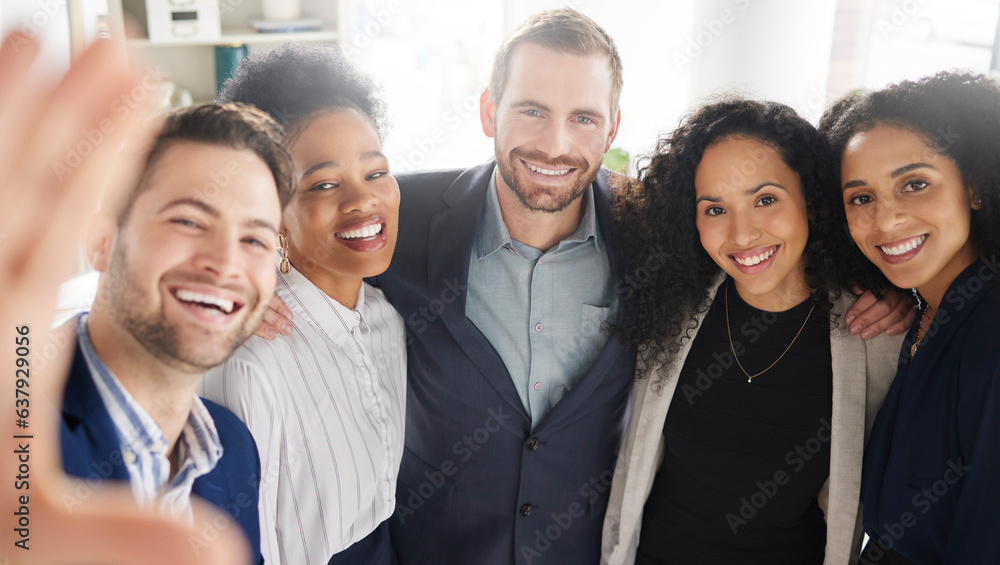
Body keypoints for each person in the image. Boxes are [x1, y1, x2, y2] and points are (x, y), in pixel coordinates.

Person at [252, 10, 911, 564]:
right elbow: (296, 225)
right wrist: (260, 276)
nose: (555, 142)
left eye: (584, 118)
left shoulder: (658, 232)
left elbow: (764, 242)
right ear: (489, 110)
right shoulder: (400, 215)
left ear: (613, 129)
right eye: (532, 110)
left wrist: (875, 284)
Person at [599, 99, 903, 565]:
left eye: (765, 200)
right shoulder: (671, 303)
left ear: (814, 203)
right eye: (715, 209)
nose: (741, 235)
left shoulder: (875, 330)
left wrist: (910, 297)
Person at [58, 101, 294, 565]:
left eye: (254, 240)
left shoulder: (234, 449)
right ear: (103, 242)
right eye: (188, 221)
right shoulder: (18, 432)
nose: (225, 263)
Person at [198, 43, 406, 565]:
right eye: (325, 184)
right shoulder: (253, 358)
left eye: (376, 172)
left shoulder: (390, 321)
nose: (362, 200)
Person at [822, 72, 1000, 564]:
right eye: (861, 197)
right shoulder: (924, 313)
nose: (886, 221)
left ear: (976, 187)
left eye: (915, 184)